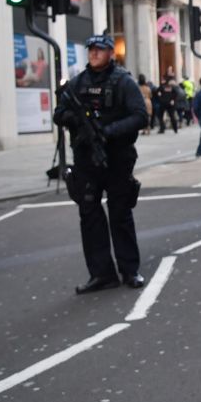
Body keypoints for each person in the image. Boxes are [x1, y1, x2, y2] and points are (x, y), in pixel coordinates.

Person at [52, 35, 148, 293]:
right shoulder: (77, 83)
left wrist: (109, 130)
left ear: (110, 54)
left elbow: (140, 116)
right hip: (86, 159)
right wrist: (76, 120)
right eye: (91, 50)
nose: (94, 54)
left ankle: (130, 269)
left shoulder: (123, 81)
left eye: (99, 50)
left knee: (120, 212)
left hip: (116, 157)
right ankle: (101, 273)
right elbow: (58, 114)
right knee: (89, 214)